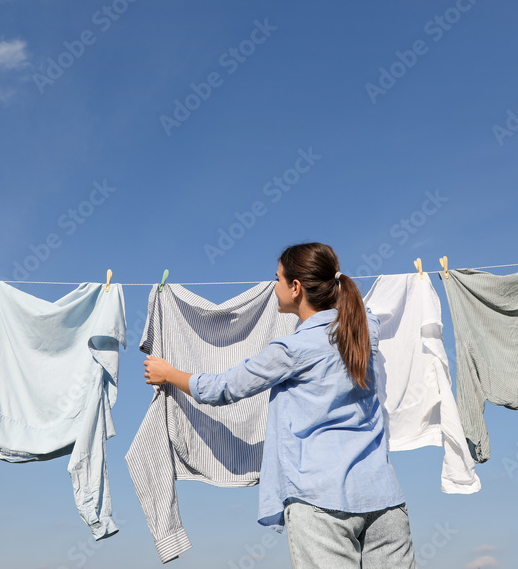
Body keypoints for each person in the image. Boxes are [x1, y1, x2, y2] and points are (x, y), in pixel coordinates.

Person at [143, 242, 416, 568]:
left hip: (321, 502)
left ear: (296, 288)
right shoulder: (364, 330)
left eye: (277, 279)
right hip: (385, 498)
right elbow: (361, 311)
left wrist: (169, 373)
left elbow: (224, 388)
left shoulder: (293, 349)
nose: (274, 287)